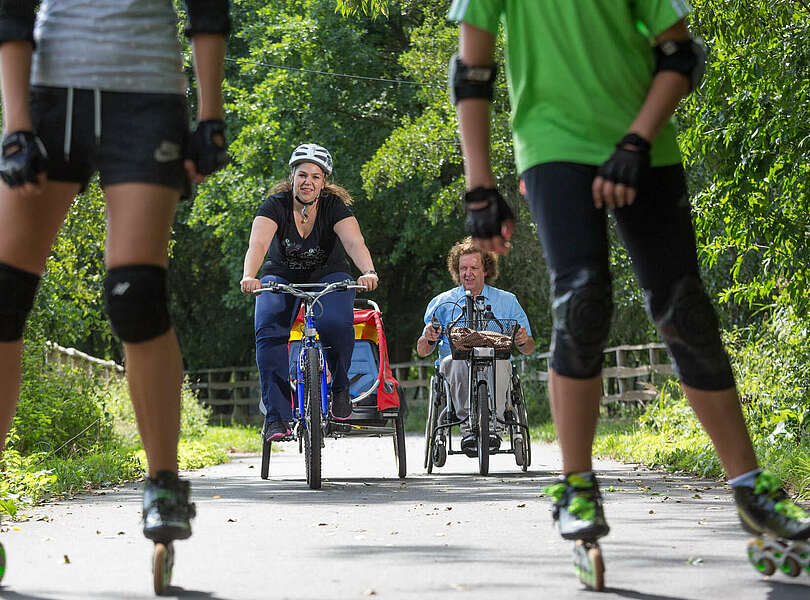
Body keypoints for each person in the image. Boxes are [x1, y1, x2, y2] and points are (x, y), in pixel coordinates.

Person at [447, 0, 810, 586]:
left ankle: (749, 486)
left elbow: (678, 53)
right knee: (583, 302)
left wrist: (637, 142)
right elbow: (473, 72)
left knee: (684, 310)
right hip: (553, 142)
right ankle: (577, 488)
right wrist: (479, 186)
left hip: (645, 143)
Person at [0, 0, 229, 557]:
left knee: (136, 295)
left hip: (146, 100)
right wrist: (16, 126)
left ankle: (164, 486)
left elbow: (207, 7)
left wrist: (210, 115)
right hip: (51, 97)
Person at [240, 144, 378, 441]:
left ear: (324, 181)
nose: (308, 181)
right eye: (302, 174)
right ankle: (277, 417)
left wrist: (367, 271)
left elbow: (354, 242)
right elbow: (259, 244)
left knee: (337, 324)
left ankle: (340, 387)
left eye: (316, 176)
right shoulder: (274, 205)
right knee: (268, 330)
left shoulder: (334, 207)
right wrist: (249, 276)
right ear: (292, 176)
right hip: (281, 275)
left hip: (329, 274)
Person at [417, 237, 534, 455]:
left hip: (497, 362)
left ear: (486, 269)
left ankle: (494, 427)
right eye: (463, 268)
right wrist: (428, 337)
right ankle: (468, 428)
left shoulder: (507, 301)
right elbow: (423, 351)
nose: (467, 273)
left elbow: (528, 348)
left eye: (473, 267)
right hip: (455, 365)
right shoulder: (442, 303)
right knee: (457, 360)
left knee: (498, 362)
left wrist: (522, 340)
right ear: (456, 270)